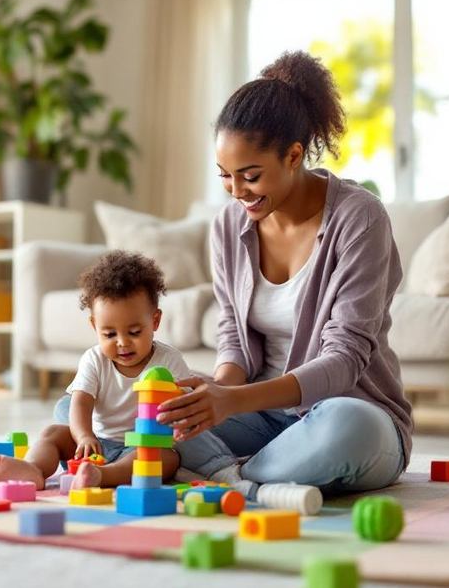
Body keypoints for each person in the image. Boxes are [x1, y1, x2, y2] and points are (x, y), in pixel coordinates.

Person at [155, 50, 413, 509]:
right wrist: (216, 393)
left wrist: (231, 403)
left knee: (345, 430)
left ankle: (220, 474)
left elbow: (345, 358)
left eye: (250, 176)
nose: (237, 193)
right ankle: (254, 476)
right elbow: (233, 336)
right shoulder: (228, 228)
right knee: (130, 403)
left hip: (348, 412)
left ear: (294, 155)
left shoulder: (359, 219)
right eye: (226, 178)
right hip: (261, 416)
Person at [0, 251, 192, 489]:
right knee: (53, 433)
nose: (122, 342)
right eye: (109, 334)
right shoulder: (94, 359)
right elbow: (80, 403)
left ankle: (102, 476)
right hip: (97, 444)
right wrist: (84, 436)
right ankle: (34, 469)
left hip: (141, 448)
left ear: (155, 321)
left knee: (168, 458)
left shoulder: (169, 360)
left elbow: (186, 405)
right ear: (95, 326)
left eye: (134, 332)